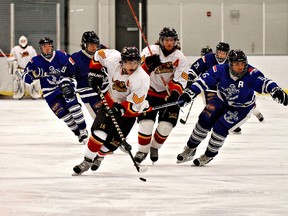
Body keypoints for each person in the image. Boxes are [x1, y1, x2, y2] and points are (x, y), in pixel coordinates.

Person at [176, 49, 287, 166]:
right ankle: (190, 149)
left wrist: (275, 90)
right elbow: (204, 80)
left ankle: (208, 155)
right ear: (230, 64)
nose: (240, 67)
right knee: (204, 120)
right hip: (220, 100)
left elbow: (265, 83)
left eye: (242, 63)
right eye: (236, 64)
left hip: (240, 109)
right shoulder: (220, 70)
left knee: (220, 128)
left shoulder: (251, 74)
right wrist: (189, 93)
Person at [72, 46, 151, 175]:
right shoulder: (113, 58)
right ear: (122, 61)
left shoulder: (142, 78)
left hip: (128, 113)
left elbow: (135, 104)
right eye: (129, 62)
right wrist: (94, 72)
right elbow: (98, 55)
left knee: (111, 144)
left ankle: (100, 156)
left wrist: (120, 109)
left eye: (135, 62)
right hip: (109, 102)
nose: (133, 65)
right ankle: (86, 161)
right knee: (99, 133)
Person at [133, 27, 189, 165]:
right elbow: (136, 71)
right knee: (146, 123)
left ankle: (154, 147)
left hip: (168, 95)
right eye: (166, 39)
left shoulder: (180, 58)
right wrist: (147, 65)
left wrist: (175, 93)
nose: (169, 42)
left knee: (165, 126)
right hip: (149, 92)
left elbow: (181, 79)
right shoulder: (149, 51)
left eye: (172, 40)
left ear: (176, 41)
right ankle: (142, 150)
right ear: (161, 40)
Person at [22, 36, 88, 144]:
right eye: (44, 47)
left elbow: (74, 65)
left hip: (64, 84)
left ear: (52, 47)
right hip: (49, 92)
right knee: (64, 115)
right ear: (41, 48)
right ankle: (78, 134)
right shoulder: (35, 61)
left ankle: (83, 130)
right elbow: (24, 77)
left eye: (49, 46)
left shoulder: (62, 55)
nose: (47, 48)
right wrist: (33, 74)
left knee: (73, 106)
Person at [188, 42, 264, 133]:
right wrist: (191, 77)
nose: (220, 55)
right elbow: (195, 67)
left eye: (223, 53)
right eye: (219, 52)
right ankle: (215, 122)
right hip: (210, 87)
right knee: (212, 105)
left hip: (225, 87)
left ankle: (232, 121)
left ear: (227, 54)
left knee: (238, 101)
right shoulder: (208, 58)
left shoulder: (232, 61)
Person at [61, 31, 107, 119]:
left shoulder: (103, 53)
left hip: (106, 91)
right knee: (102, 121)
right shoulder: (76, 58)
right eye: (91, 44)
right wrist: (66, 86)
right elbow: (65, 75)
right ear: (84, 45)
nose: (94, 47)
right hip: (89, 94)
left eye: (95, 44)